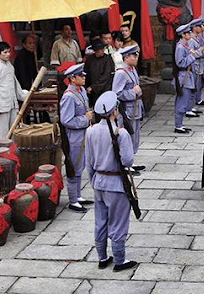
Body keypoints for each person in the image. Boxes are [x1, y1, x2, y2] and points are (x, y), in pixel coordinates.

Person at [85, 91, 138, 272]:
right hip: (116, 183)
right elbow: (128, 161)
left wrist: (93, 180)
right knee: (118, 223)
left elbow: (89, 161)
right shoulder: (120, 133)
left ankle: (102, 257)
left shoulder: (90, 131)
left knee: (100, 222)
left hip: (99, 181)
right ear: (115, 111)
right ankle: (119, 260)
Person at [59, 63, 95, 213]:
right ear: (72, 79)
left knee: (80, 166)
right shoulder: (69, 96)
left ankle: (78, 196)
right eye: (81, 76)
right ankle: (73, 200)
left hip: (83, 134)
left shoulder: (81, 91)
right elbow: (66, 120)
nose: (84, 78)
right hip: (74, 137)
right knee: (73, 167)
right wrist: (85, 119)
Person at [113, 45, 145, 174]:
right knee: (126, 136)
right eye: (134, 56)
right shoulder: (121, 73)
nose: (136, 58)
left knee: (134, 136)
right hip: (127, 111)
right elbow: (117, 93)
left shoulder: (132, 69)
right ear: (126, 57)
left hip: (135, 109)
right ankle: (125, 164)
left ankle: (130, 160)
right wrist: (133, 92)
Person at [0, 41, 28, 139]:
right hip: (1, 105)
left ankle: (13, 148)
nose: (8, 54)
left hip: (12, 103)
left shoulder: (10, 66)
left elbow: (15, 83)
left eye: (9, 52)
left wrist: (23, 95)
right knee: (2, 133)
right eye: (5, 52)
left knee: (14, 131)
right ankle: (2, 149)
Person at [174, 23, 198, 134]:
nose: (190, 34)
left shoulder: (185, 45)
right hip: (183, 77)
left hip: (187, 76)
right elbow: (180, 63)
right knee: (182, 102)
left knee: (185, 100)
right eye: (188, 33)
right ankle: (178, 125)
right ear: (183, 35)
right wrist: (191, 56)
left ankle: (180, 124)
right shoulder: (180, 47)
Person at [85, 38, 114, 108]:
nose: (102, 50)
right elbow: (86, 74)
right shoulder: (90, 59)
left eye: (103, 48)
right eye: (100, 49)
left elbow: (106, 76)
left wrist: (93, 87)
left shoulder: (107, 59)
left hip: (105, 89)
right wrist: (86, 87)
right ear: (95, 50)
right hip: (93, 92)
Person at [190, 18, 204, 107]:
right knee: (195, 84)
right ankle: (192, 103)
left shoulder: (198, 37)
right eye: (200, 26)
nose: (201, 28)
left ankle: (198, 99)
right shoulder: (191, 39)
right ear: (194, 27)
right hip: (195, 64)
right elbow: (192, 53)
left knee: (199, 84)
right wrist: (202, 51)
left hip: (200, 63)